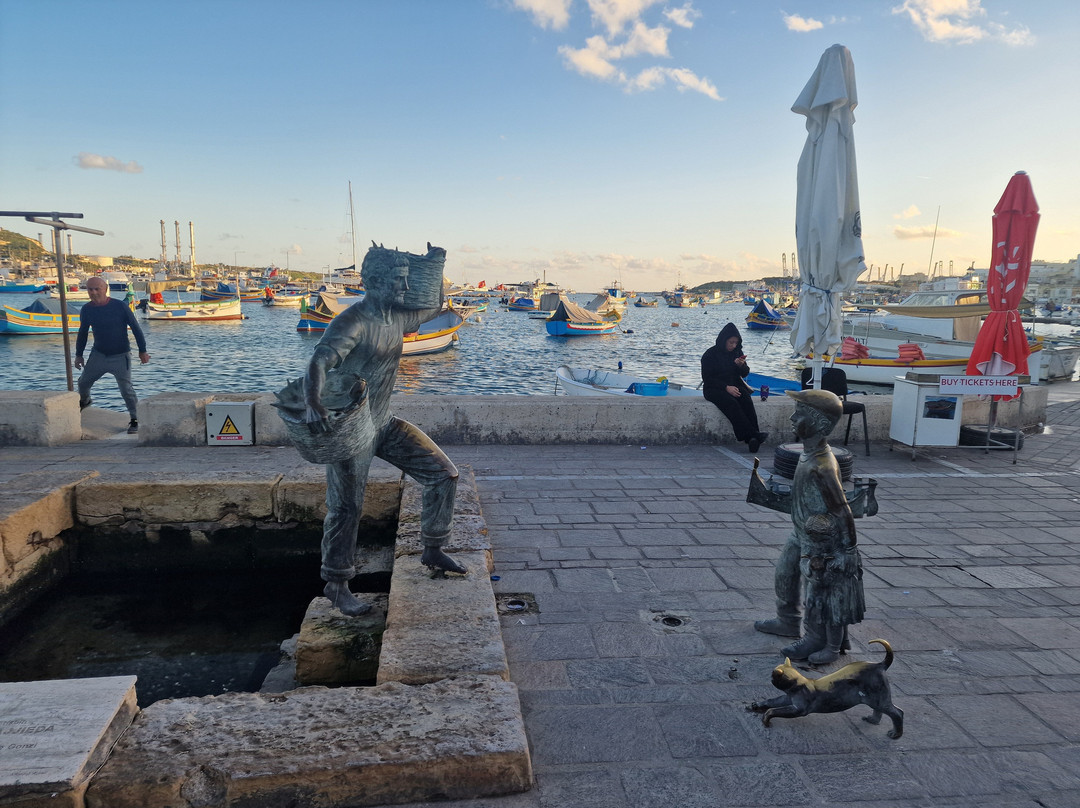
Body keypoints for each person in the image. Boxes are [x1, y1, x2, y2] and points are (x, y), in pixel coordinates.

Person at [302, 244, 464, 617]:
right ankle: (337, 583)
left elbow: (434, 308)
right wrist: (314, 403)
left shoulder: (397, 318)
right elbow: (319, 361)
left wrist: (435, 266)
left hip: (384, 422)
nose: (405, 288)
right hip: (351, 428)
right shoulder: (352, 322)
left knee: (443, 475)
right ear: (372, 282)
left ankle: (433, 547)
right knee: (346, 507)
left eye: (407, 280)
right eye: (398, 281)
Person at [753, 389, 864, 665]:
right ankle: (787, 620)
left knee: (818, 594)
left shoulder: (823, 465)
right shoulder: (807, 456)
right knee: (785, 574)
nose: (792, 418)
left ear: (821, 424)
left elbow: (841, 508)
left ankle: (817, 637)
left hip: (819, 542)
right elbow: (803, 497)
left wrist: (849, 548)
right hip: (800, 532)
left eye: (799, 413)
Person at [74, 276, 150, 434]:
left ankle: (135, 419)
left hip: (120, 356)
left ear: (105, 289)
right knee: (83, 383)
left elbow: (136, 328)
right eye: (90, 289)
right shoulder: (87, 309)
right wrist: (79, 355)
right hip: (99, 354)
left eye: (97, 289)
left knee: (126, 390)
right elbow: (82, 332)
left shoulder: (120, 306)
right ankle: (85, 401)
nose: (93, 292)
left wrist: (142, 350)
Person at [701, 322, 768, 452]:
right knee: (731, 403)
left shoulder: (737, 352)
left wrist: (741, 366)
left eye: (735, 342)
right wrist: (726, 387)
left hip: (734, 385)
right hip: (714, 388)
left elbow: (744, 373)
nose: (733, 345)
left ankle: (753, 438)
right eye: (731, 342)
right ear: (724, 340)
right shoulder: (710, 354)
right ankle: (752, 435)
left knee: (746, 400)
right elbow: (707, 378)